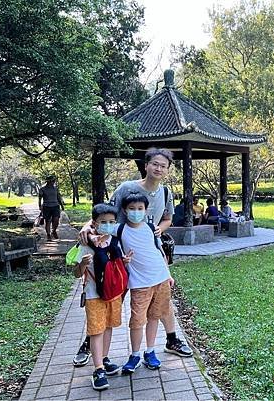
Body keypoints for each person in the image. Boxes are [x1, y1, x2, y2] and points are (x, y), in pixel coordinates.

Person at [72, 147, 192, 368]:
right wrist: (87, 226)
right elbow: (104, 212)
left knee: (160, 302)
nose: (158, 168)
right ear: (146, 165)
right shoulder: (126, 188)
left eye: (163, 166)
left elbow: (167, 218)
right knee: (105, 298)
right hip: (116, 252)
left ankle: (171, 339)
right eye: (154, 164)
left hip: (148, 252)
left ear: (167, 170)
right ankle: (90, 343)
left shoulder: (165, 192)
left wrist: (158, 229)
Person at [73, 203, 132, 391]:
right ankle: (97, 369)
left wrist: (124, 261)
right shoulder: (86, 245)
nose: (108, 225)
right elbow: (76, 273)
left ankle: (104, 359)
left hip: (113, 293)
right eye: (103, 222)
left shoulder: (115, 242)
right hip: (93, 295)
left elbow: (115, 264)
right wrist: (82, 264)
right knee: (96, 330)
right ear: (94, 224)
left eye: (111, 222)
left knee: (108, 327)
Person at [118, 193, 172, 374]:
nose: (136, 212)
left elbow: (160, 251)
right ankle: (134, 355)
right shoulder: (119, 230)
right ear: (124, 211)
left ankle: (150, 351)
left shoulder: (151, 228)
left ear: (145, 210)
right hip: (139, 284)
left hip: (161, 278)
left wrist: (168, 274)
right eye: (132, 209)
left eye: (140, 209)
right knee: (136, 321)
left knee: (154, 316)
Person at [38, 175, 65, 240]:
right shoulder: (42, 189)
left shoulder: (55, 188)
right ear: (48, 181)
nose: (54, 182)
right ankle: (48, 234)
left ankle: (53, 231)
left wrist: (62, 205)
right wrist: (39, 206)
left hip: (55, 206)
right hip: (46, 206)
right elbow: (39, 198)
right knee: (48, 221)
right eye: (53, 181)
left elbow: (58, 197)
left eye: (54, 181)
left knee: (56, 220)